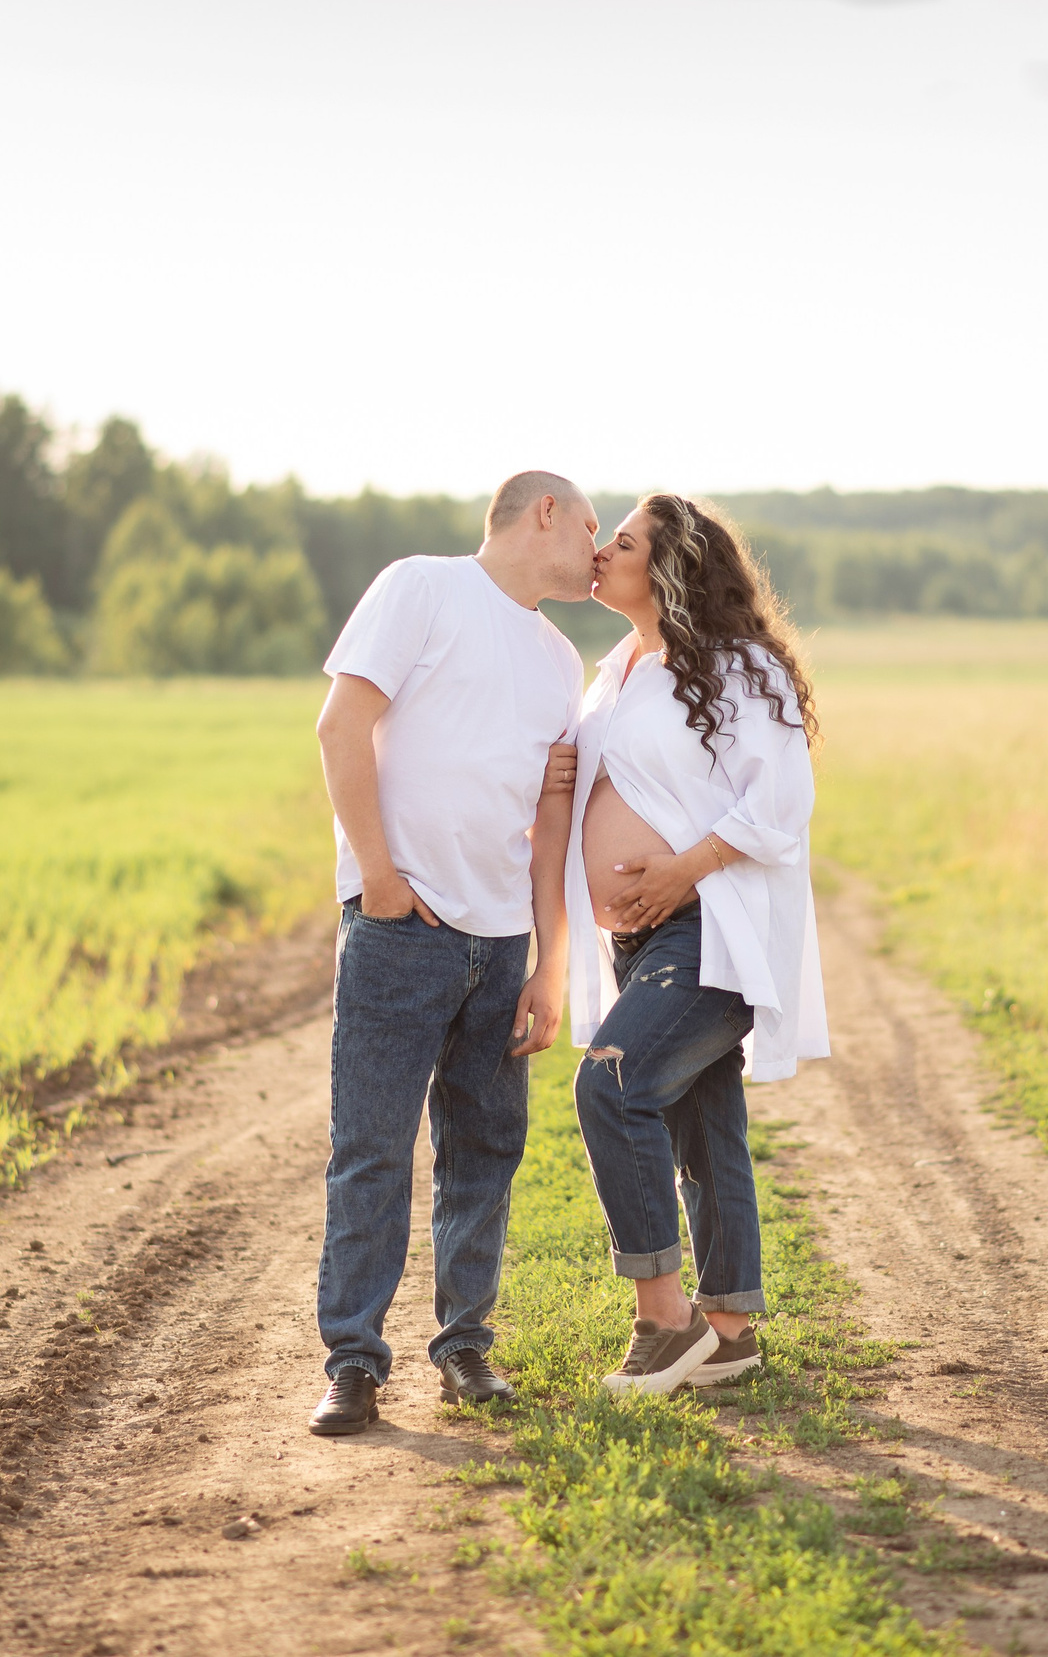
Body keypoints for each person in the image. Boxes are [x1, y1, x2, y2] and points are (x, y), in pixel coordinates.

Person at [307, 470, 597, 1436]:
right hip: (401, 931)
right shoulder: (420, 586)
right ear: (543, 511)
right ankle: (353, 1359)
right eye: (592, 525)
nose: (600, 551)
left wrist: (550, 963)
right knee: (373, 1149)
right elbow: (339, 724)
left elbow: (552, 818)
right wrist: (379, 880)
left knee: (484, 1150)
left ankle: (464, 1345)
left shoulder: (562, 658)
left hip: (501, 940)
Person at [562, 493, 828, 1396]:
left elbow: (783, 801)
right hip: (643, 940)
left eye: (623, 541)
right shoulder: (620, 669)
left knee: (612, 1079)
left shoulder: (741, 666)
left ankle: (664, 1321)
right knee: (704, 1127)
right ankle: (731, 1330)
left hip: (713, 927)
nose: (603, 552)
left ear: (670, 566)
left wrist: (684, 869)